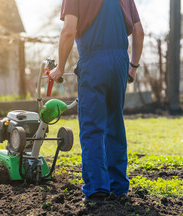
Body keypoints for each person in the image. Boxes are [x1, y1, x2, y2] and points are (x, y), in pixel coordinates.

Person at [50, 0, 144, 201]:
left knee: (92, 126)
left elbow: (68, 31)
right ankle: (118, 185)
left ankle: (97, 187)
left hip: (94, 61)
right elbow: (139, 31)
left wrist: (59, 68)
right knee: (115, 124)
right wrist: (133, 67)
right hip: (120, 61)